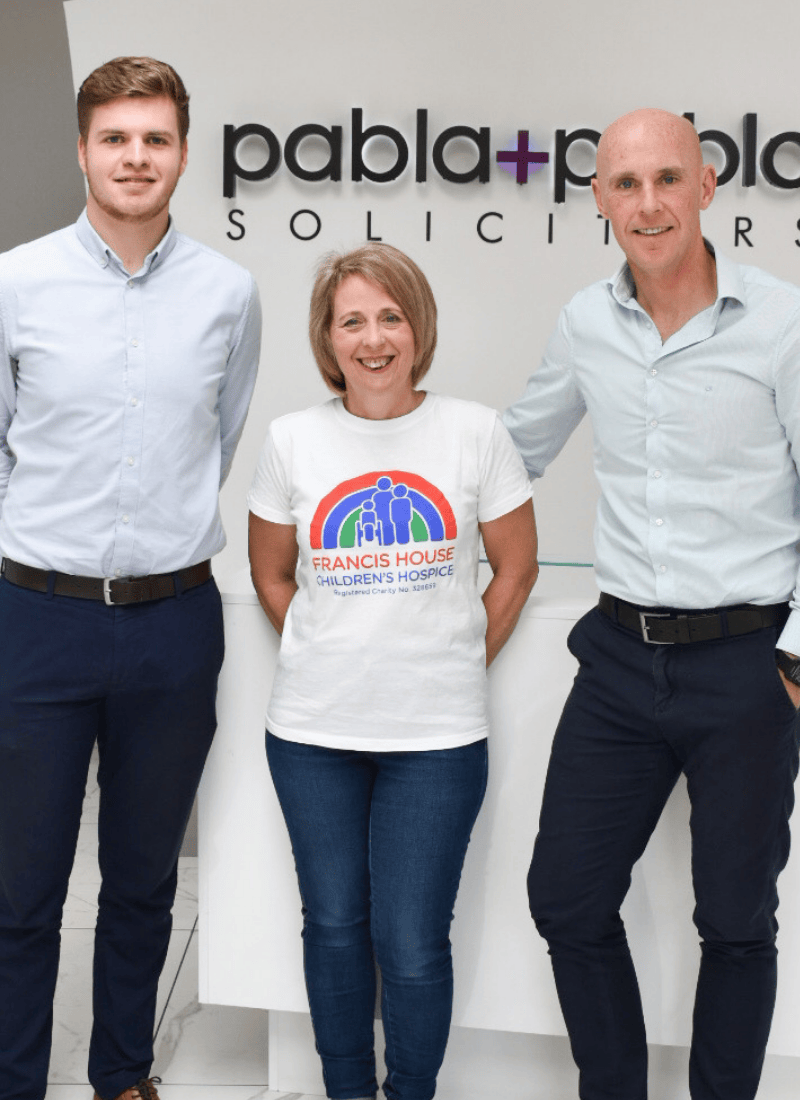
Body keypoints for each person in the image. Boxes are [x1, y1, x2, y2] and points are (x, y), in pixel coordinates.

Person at [503, 107, 800, 1100]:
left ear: (706, 186)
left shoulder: (780, 320)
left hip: (746, 667)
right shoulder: (586, 323)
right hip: (620, 662)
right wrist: (370, 482)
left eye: (665, 179)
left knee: (732, 917)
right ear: (597, 200)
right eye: (624, 184)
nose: (646, 202)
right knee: (565, 898)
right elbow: (513, 450)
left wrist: (795, 656)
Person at [0, 57, 261, 1100]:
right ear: (83, 149)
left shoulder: (227, 293)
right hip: (36, 616)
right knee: (22, 888)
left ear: (182, 153)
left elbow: (220, 436)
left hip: (172, 620)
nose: (135, 156)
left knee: (145, 879)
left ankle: (121, 1073)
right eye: (116, 138)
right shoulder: (14, 281)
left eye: (155, 138)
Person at [248, 242, 537, 1100]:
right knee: (333, 927)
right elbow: (271, 572)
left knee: (411, 941)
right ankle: (346, 1090)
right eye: (352, 322)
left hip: (438, 740)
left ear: (418, 329)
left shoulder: (475, 432)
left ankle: (410, 1092)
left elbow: (515, 568)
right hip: (310, 735)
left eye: (391, 317)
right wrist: (320, 645)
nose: (373, 339)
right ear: (327, 339)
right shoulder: (292, 440)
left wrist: (455, 657)